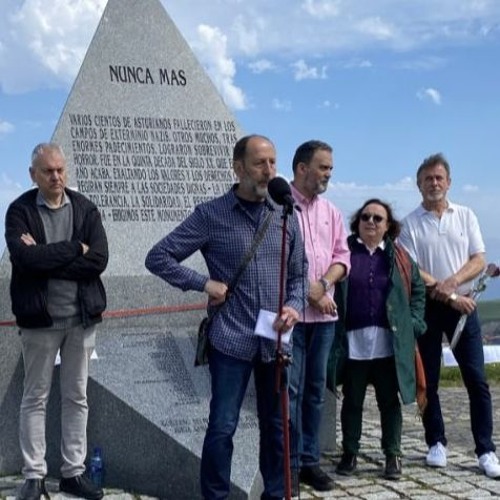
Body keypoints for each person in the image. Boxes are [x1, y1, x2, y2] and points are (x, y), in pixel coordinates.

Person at [145, 134, 307, 500]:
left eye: (272, 162)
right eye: (259, 163)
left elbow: (299, 274)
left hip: (275, 340)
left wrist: (294, 306)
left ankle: (278, 493)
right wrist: (204, 283)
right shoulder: (210, 214)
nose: (268, 171)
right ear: (238, 168)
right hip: (231, 338)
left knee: (278, 425)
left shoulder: (284, 213)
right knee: (222, 426)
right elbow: (158, 257)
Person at [4, 143, 108, 500]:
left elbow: (98, 260)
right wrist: (73, 249)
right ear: (33, 174)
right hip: (39, 321)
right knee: (35, 397)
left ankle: (72, 473)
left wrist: (46, 256)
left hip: (80, 319)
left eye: (61, 170)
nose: (56, 177)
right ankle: (33, 476)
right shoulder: (19, 211)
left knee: (76, 397)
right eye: (48, 171)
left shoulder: (85, 209)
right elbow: (24, 259)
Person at [399, 153, 500, 478]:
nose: (434, 183)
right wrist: (450, 295)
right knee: (428, 380)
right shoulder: (410, 224)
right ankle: (436, 443)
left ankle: (486, 450)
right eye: (428, 179)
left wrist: (454, 286)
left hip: (464, 308)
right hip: (427, 307)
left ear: (449, 182)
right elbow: (412, 271)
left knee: (477, 380)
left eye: (439, 178)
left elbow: (478, 259)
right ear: (419, 185)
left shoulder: (466, 215)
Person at [332, 199, 426, 480]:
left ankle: (393, 455)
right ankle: (349, 453)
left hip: (389, 345)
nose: (371, 222)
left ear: (388, 226)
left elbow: (418, 291)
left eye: (377, 218)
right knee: (352, 401)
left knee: (389, 402)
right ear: (357, 222)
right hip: (354, 343)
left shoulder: (400, 258)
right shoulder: (344, 253)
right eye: (365, 217)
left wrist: (413, 325)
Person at [288, 140, 350, 492]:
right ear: (302, 168)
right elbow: (275, 259)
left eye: (330, 168)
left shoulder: (332, 212)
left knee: (315, 391)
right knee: (290, 391)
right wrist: (308, 292)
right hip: (292, 317)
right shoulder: (279, 209)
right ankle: (290, 464)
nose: (328, 174)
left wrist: (323, 285)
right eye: (323, 167)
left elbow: (343, 257)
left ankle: (310, 461)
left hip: (324, 319)